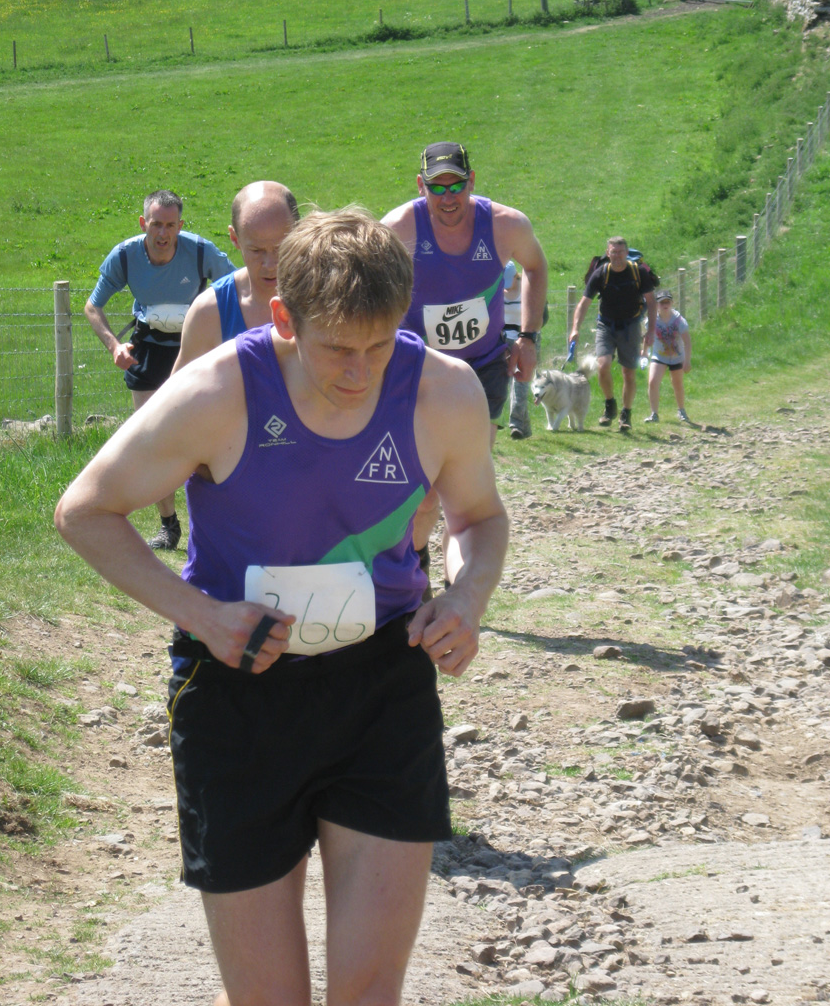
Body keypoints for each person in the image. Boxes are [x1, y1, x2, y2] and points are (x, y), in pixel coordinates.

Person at [55, 207, 508, 1006]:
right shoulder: (218, 391)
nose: (360, 372)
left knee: (370, 991)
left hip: (382, 686)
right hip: (238, 689)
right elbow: (86, 511)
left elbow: (478, 517)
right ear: (283, 319)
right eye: (337, 347)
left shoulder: (444, 390)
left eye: (380, 344)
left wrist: (467, 594)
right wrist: (200, 613)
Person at [382, 141, 547, 582]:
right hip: (420, 370)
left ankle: (459, 586)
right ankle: (415, 559)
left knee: (462, 488)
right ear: (421, 187)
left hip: (483, 366)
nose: (448, 197)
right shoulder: (399, 228)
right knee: (423, 494)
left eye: (457, 185)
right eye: (437, 187)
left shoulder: (505, 225)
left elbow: (536, 266)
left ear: (472, 182)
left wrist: (528, 337)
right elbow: (368, 286)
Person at [84, 189, 233, 550]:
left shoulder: (201, 252)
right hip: (148, 348)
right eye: (155, 225)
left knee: (203, 441)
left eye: (170, 225)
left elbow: (238, 289)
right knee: (153, 440)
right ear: (143, 223)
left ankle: (216, 524)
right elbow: (92, 306)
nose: (163, 234)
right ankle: (169, 526)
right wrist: (114, 346)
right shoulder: (125, 255)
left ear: (181, 225)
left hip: (196, 347)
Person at [173, 181, 299, 372]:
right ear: (234, 238)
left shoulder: (327, 300)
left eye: (280, 248)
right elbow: (177, 396)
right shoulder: (210, 313)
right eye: (256, 250)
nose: (270, 264)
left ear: (298, 232)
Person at [568, 236, 657, 432]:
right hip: (606, 325)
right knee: (603, 364)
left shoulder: (638, 272)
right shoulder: (601, 274)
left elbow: (651, 302)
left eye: (620, 252)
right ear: (608, 253)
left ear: (626, 253)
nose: (616, 256)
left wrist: (650, 331)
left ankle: (626, 413)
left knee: (628, 372)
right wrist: (575, 328)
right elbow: (584, 303)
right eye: (613, 252)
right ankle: (610, 405)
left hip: (631, 325)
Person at [643, 289, 691, 424]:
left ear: (672, 303)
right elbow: (647, 336)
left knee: (677, 383)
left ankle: (681, 411)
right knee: (652, 381)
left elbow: (687, 342)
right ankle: (654, 414)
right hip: (659, 355)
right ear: (657, 305)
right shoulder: (652, 321)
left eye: (667, 302)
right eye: (662, 303)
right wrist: (645, 351)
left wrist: (687, 361)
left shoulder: (679, 321)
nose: (665, 305)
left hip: (677, 357)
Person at [503, 260, 531, 439]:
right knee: (501, 380)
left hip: (523, 339)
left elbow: (540, 316)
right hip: (502, 339)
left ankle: (515, 425)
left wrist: (527, 338)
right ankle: (523, 427)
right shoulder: (495, 290)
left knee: (520, 383)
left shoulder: (526, 290)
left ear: (516, 276)